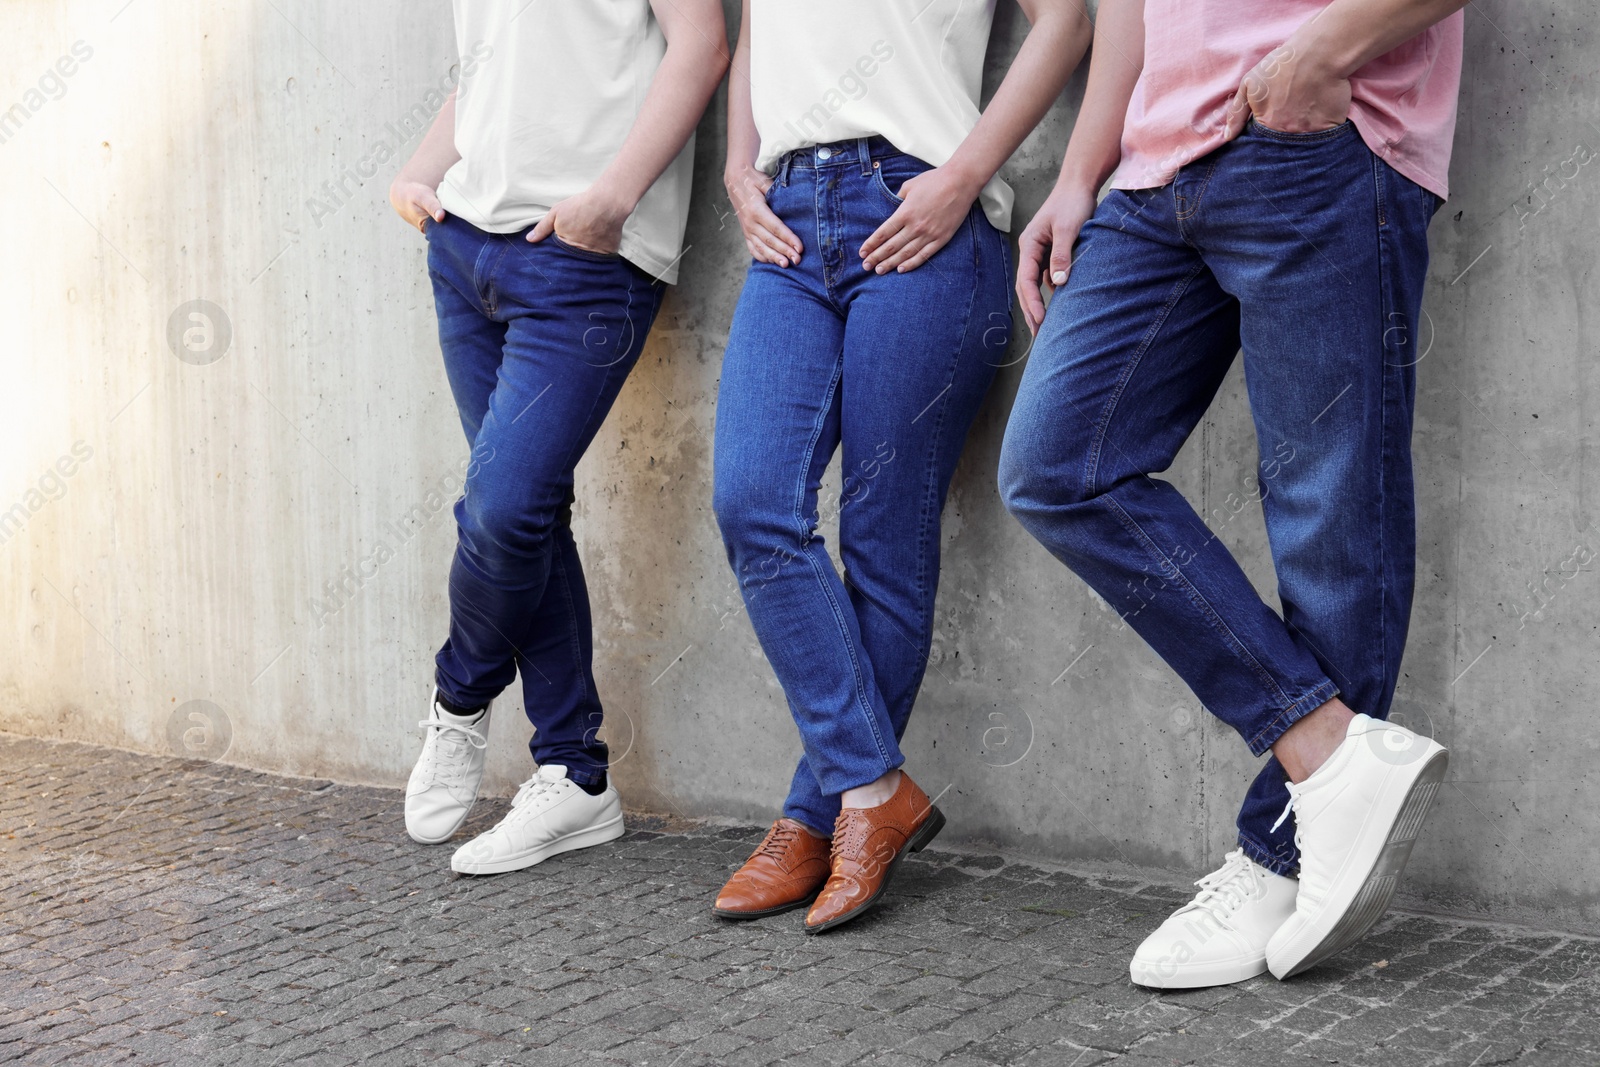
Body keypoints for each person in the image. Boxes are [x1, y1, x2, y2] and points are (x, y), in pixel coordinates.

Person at [1000, 0, 1465, 985]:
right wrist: (1081, 172)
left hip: (1321, 135)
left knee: (1324, 515)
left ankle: (1277, 856)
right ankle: (1326, 754)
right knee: (1055, 468)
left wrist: (1323, 53)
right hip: (1154, 162)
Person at [710, 0, 1092, 932]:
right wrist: (735, 166)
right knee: (752, 501)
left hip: (918, 205)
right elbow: (758, 28)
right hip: (789, 222)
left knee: (882, 538)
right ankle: (872, 789)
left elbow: (1069, 20)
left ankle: (815, 814)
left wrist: (965, 177)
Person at [388, 0, 726, 875]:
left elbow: (702, 45)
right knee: (529, 513)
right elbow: (492, 72)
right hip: (463, 246)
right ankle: (575, 772)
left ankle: (460, 697)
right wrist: (422, 171)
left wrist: (612, 199)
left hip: (581, 257)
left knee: (500, 511)